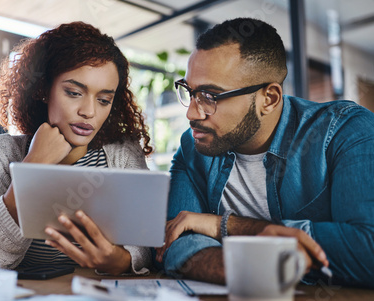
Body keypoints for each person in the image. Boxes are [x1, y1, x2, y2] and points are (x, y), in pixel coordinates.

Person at [155, 17, 374, 288]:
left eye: (210, 96)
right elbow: (174, 243)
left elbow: (367, 250)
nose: (191, 113)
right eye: (190, 92)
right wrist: (252, 269)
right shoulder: (194, 147)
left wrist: (225, 226)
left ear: (268, 99)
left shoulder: (346, 130)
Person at [0, 22, 153, 276]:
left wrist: (119, 260)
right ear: (43, 89)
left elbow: (145, 249)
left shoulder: (124, 156)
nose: (89, 112)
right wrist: (32, 170)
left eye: (104, 100)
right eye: (74, 92)